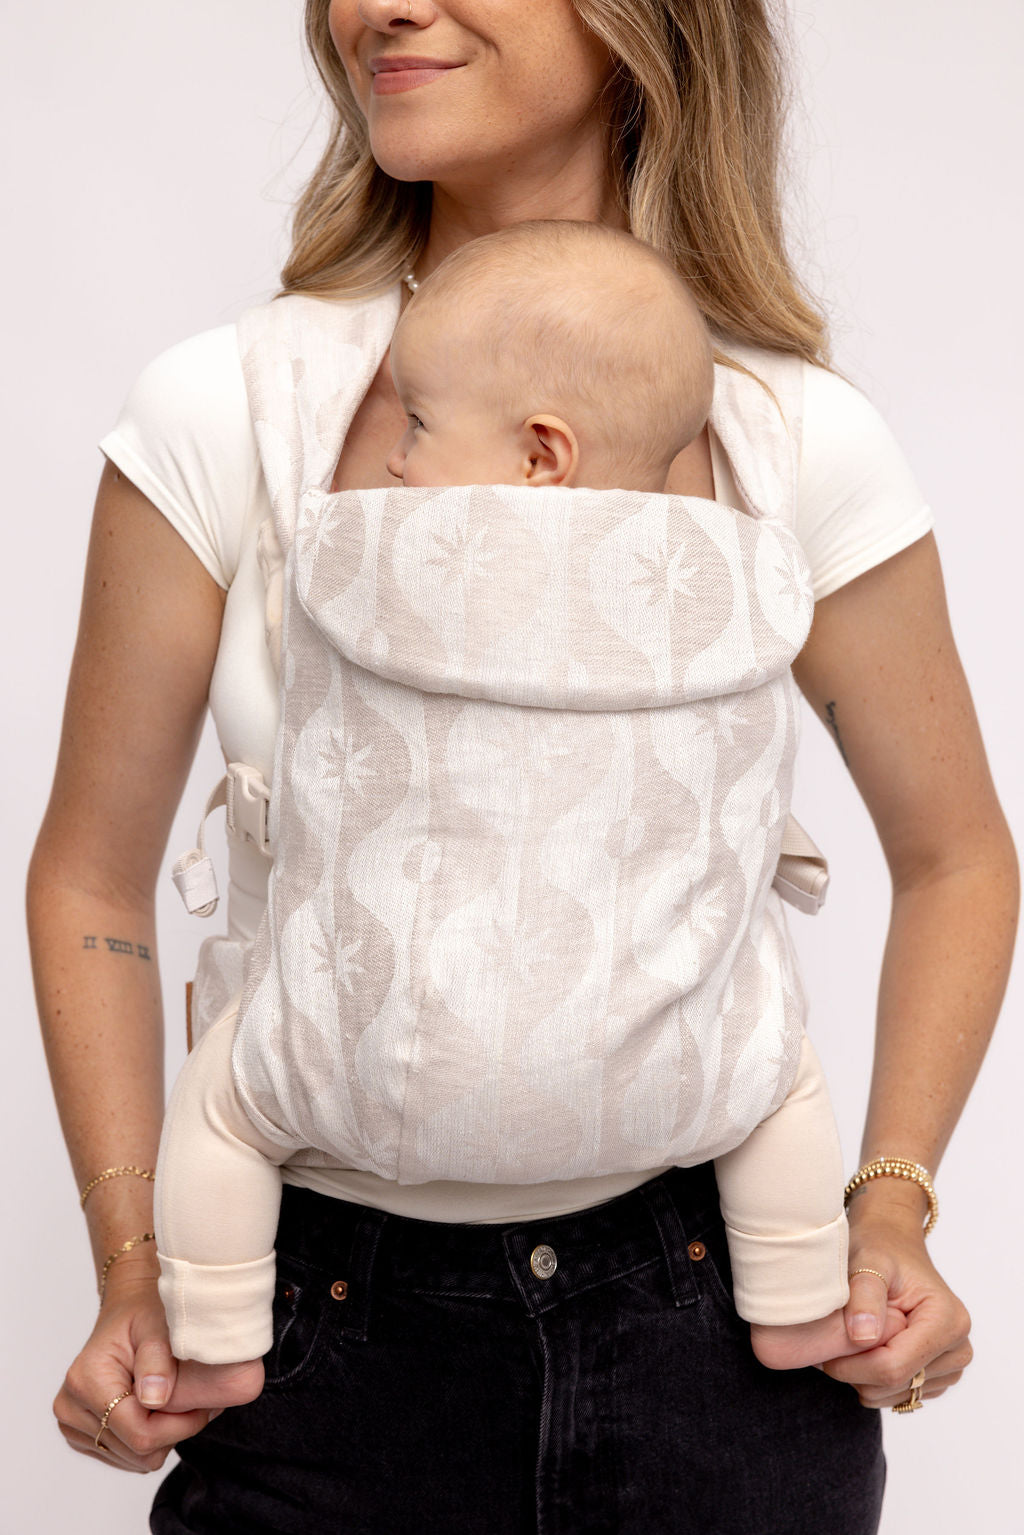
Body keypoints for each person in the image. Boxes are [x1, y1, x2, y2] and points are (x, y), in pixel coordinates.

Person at [27, 2, 1015, 1531]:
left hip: (714, 1341)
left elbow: (957, 854)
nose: (380, 5)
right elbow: (92, 873)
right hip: (319, 1344)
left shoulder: (791, 438)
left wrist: (889, 1203)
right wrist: (140, 1273)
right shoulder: (228, 413)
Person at [151, 217, 906, 1401]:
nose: (394, 464)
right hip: (670, 1094)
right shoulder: (736, 564)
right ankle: (798, 1299)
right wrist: (886, 1214)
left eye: (416, 425)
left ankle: (211, 1333)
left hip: (359, 1082)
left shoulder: (361, 549)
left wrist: (139, 1280)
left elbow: (958, 856)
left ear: (541, 453)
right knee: (779, 1080)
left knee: (221, 1103)